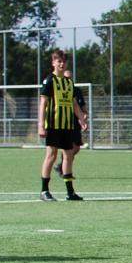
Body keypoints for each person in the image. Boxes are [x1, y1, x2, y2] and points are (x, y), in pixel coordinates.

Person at [38, 50, 89, 201]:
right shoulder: (49, 81)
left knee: (68, 155)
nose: (61, 64)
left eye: (63, 61)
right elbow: (43, 103)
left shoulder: (69, 82)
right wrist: (41, 125)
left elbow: (74, 103)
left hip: (67, 125)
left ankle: (70, 192)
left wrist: (81, 119)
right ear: (53, 63)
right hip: (53, 124)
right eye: (58, 61)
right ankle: (44, 191)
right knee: (51, 155)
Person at [53, 67, 85, 176]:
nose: (68, 80)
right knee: (67, 148)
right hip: (65, 121)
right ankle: (65, 171)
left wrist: (84, 116)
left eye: (70, 78)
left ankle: (61, 166)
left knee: (76, 148)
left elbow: (81, 107)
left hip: (76, 122)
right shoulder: (58, 90)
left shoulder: (77, 91)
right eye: (66, 77)